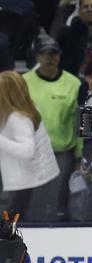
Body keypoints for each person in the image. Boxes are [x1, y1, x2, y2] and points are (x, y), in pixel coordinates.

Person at [23, 35, 84, 221]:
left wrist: (79, 155)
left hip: (63, 153)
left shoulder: (74, 83)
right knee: (32, 202)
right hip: (32, 153)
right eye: (44, 53)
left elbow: (80, 122)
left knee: (60, 202)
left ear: (60, 55)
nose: (49, 57)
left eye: (54, 53)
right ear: (36, 56)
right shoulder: (23, 82)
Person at [0, 71, 59, 219]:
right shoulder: (28, 108)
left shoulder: (18, 118)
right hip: (33, 179)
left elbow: (27, 151)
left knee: (17, 221)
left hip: (25, 182)